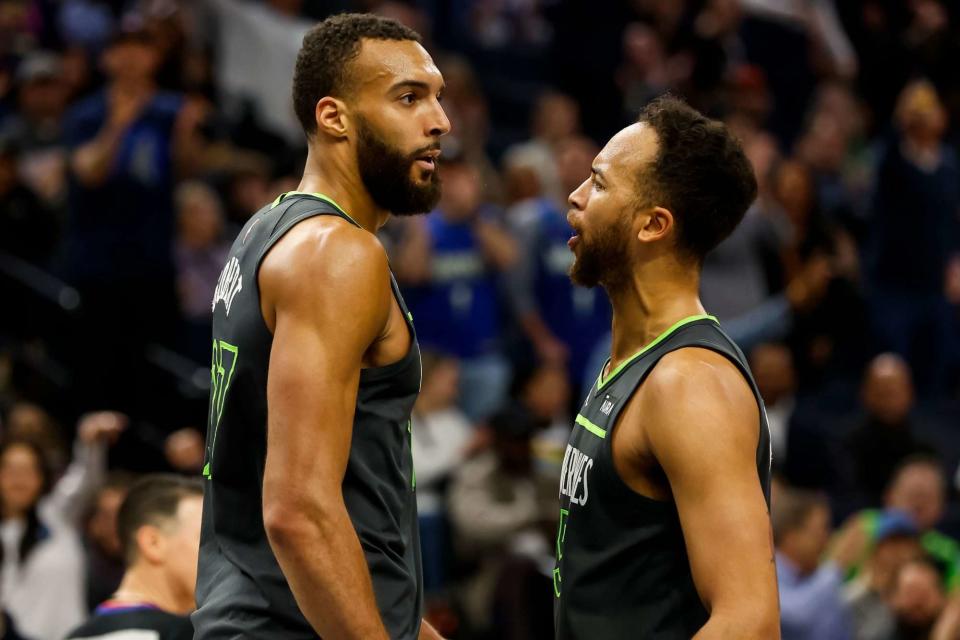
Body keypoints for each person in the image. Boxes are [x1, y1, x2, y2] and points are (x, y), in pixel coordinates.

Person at [192, 14, 449, 640]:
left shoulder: (270, 229)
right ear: (333, 117)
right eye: (409, 98)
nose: (440, 120)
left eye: (438, 96)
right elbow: (299, 512)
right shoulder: (337, 254)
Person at [553, 95, 779, 638]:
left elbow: (749, 620)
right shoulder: (629, 362)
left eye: (600, 184)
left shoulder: (688, 383)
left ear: (653, 225)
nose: (575, 197)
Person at [0, 411, 125, 640]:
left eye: (28, 470)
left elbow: (85, 479)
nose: (19, 479)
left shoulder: (57, 515)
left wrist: (90, 441)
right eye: (10, 470)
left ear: (41, 477)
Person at [66, 474, 202, 640]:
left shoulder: (75, 636)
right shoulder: (189, 633)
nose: (218, 553)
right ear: (153, 543)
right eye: (204, 538)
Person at [772, 487, 854, 640]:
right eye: (821, 530)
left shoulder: (819, 579)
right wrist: (836, 566)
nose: (827, 540)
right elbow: (795, 615)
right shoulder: (765, 572)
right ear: (792, 536)